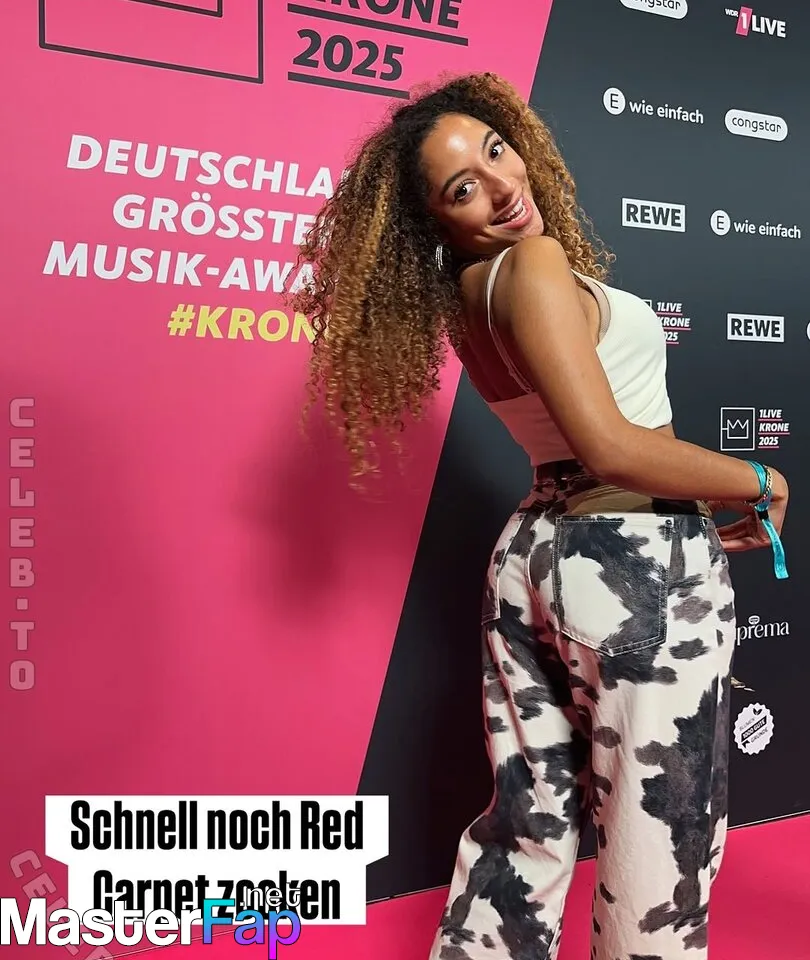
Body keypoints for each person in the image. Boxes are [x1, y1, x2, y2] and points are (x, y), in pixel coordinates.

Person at [289, 72, 789, 960]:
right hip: (632, 558)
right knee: (661, 834)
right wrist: (757, 478)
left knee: (531, 820)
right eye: (462, 189)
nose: (500, 186)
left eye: (495, 152)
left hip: (538, 552)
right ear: (434, 221)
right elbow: (612, 448)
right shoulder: (534, 265)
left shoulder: (468, 292)